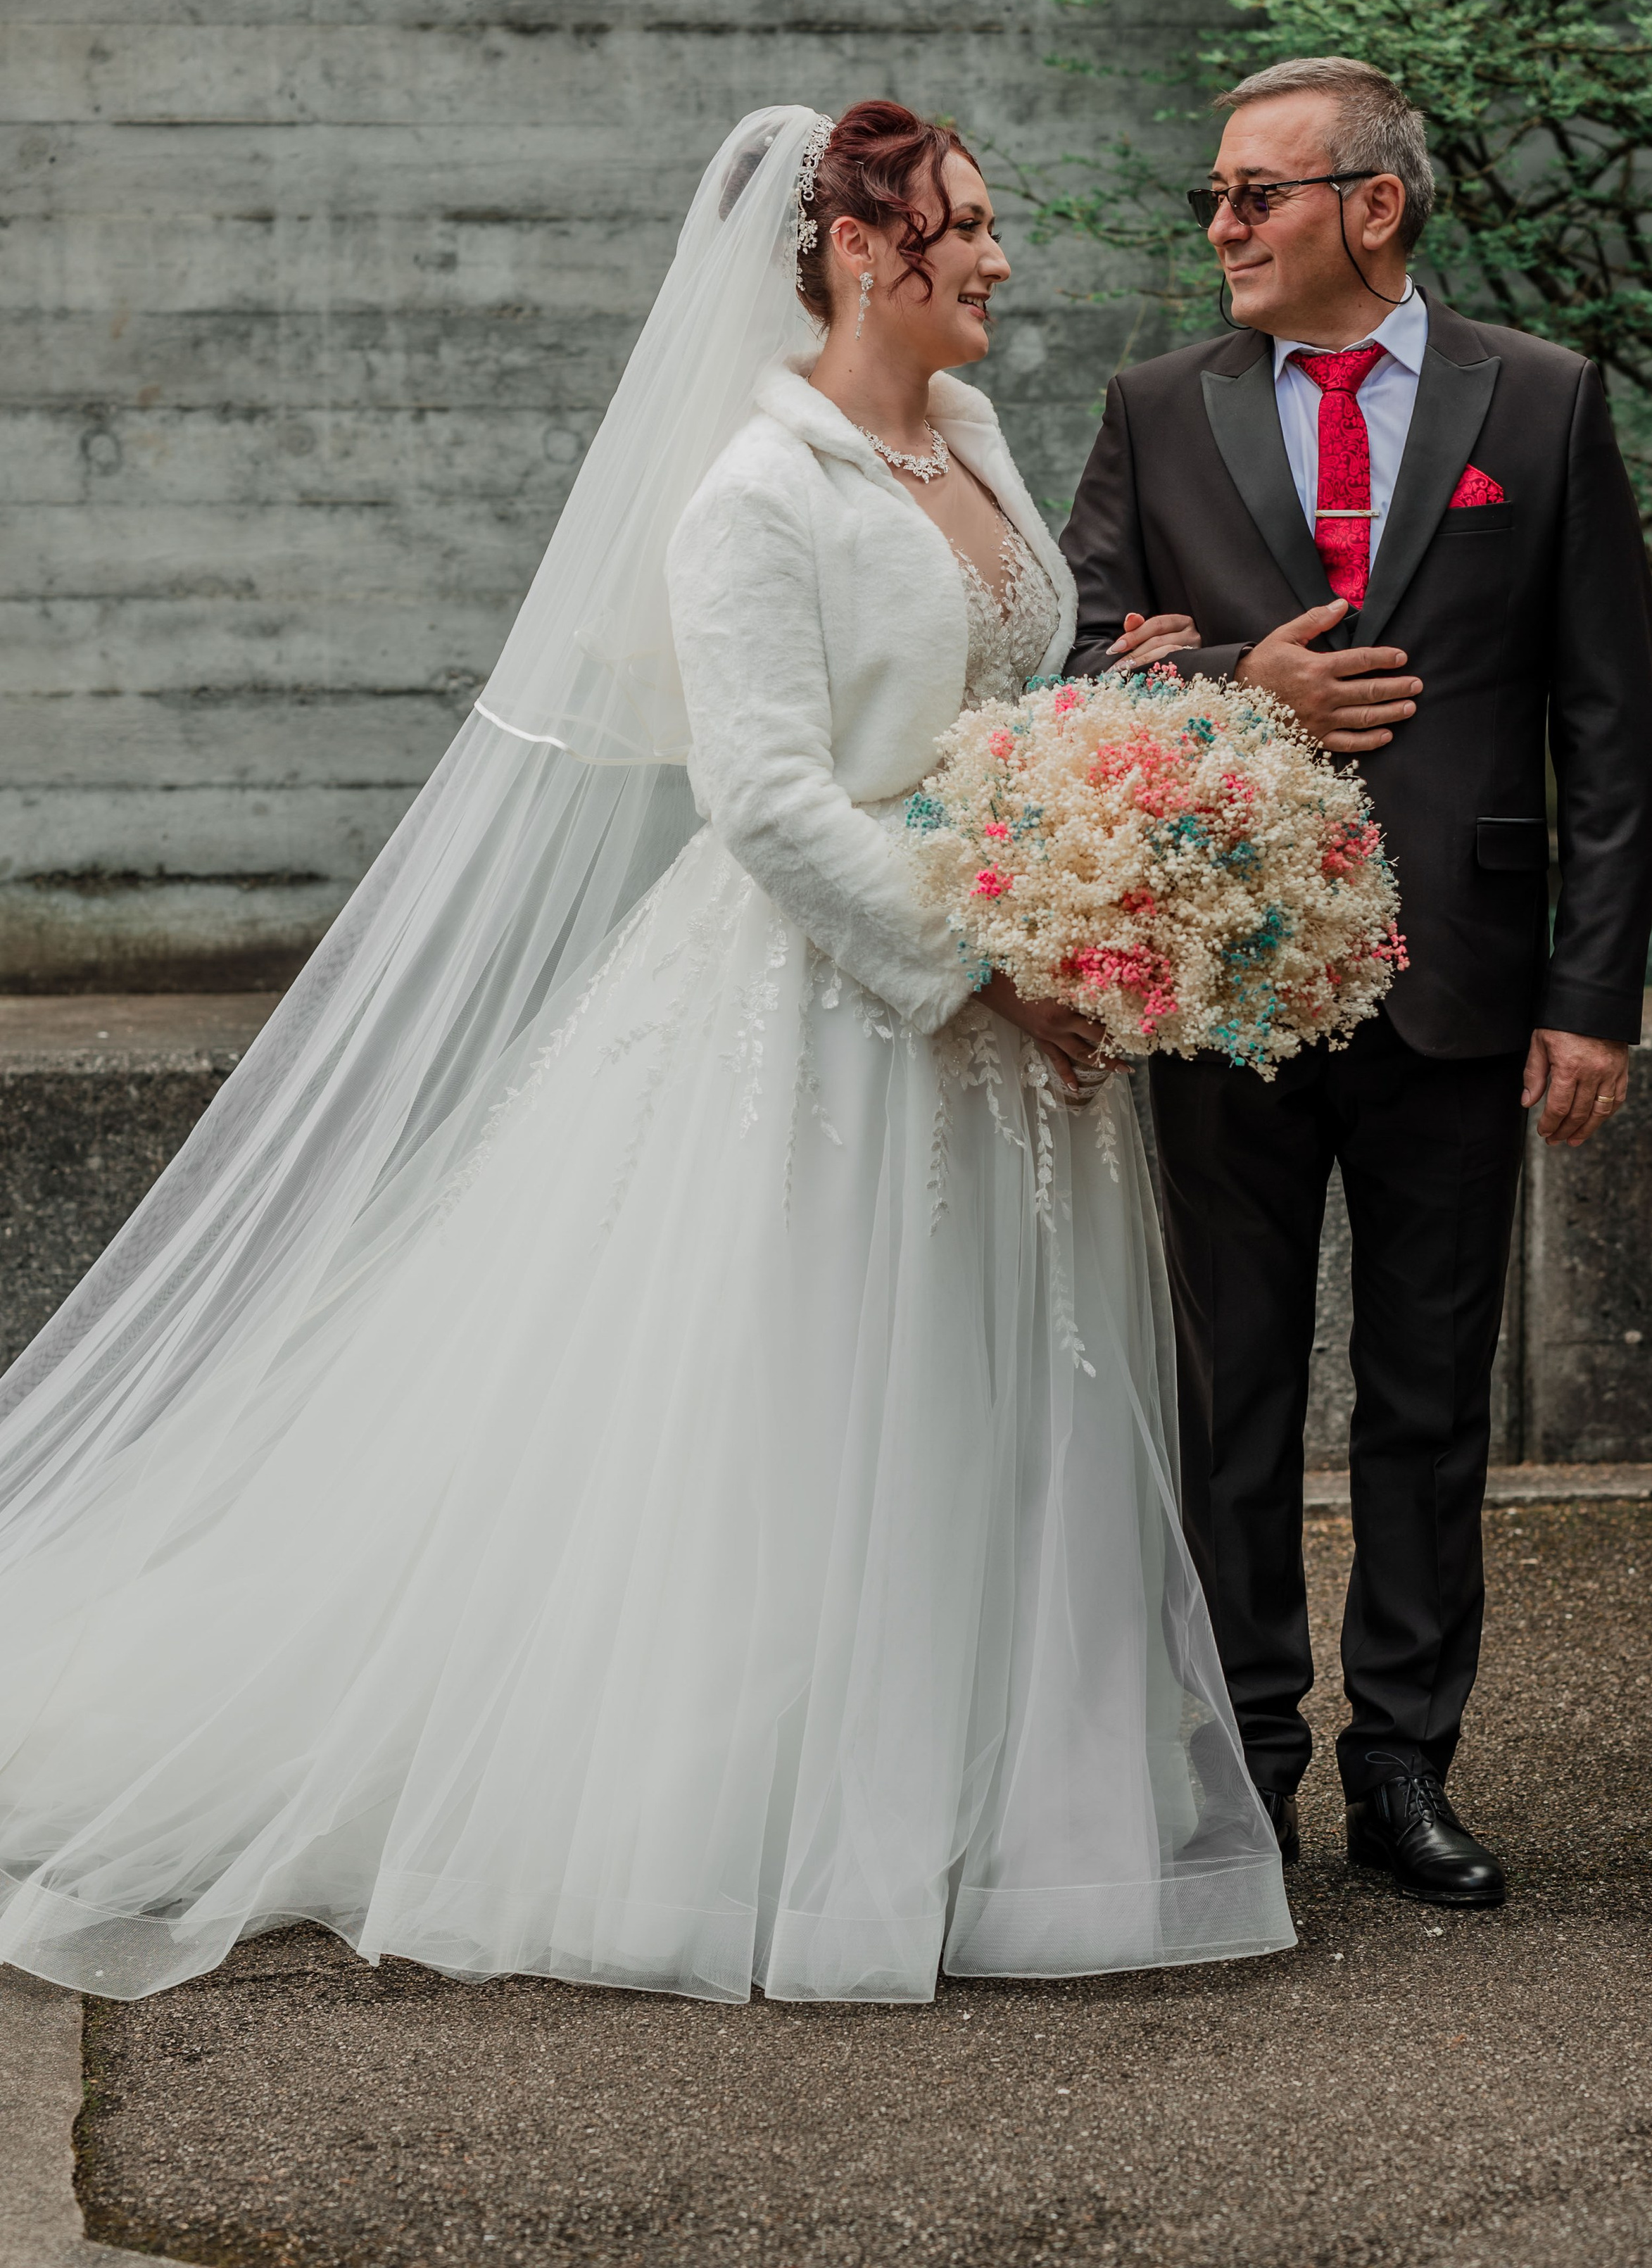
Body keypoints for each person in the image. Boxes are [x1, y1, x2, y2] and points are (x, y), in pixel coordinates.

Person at [0, 101, 1292, 2005]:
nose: (999, 257)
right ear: (860, 252)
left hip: (1018, 1016)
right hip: (837, 1022)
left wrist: (1113, 718)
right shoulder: (752, 495)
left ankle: (992, 1818)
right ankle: (770, 1828)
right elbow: (765, 796)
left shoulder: (974, 439)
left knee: (991, 1401)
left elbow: (984, 696)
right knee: (815, 1407)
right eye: (965, 226)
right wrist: (979, 966)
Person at [1060, 57, 1652, 1906]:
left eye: (1257, 195)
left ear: (1373, 206)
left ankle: (1405, 1761)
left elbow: (1606, 720)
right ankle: (1244, 1756)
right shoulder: (1157, 408)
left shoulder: (1540, 403)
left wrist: (1591, 996)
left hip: (1460, 987)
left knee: (1427, 1400)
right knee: (1230, 1393)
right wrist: (1236, 683)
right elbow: (1073, 665)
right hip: (1225, 981)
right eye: (1215, 197)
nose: (1222, 227)